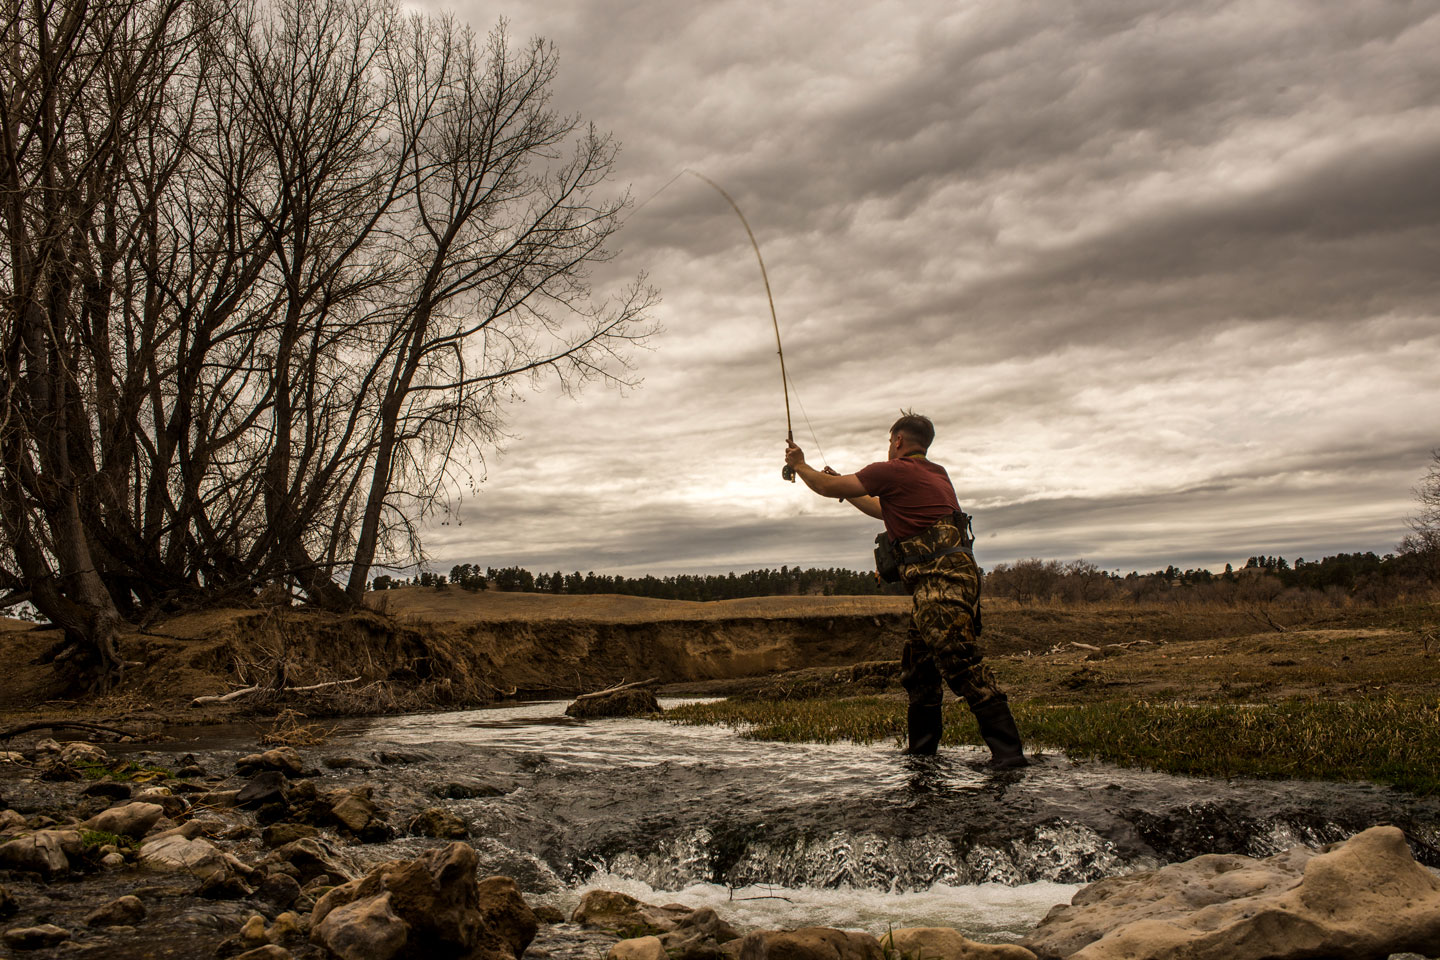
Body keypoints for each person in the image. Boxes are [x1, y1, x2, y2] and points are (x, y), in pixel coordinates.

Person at [783, 412, 1027, 767]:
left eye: (888, 441)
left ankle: (1009, 758)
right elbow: (884, 508)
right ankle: (921, 755)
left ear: (897, 441)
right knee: (919, 668)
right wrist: (847, 489)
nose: (887, 447)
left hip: (941, 584)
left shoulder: (893, 470)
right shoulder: (935, 473)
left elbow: (827, 488)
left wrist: (800, 465)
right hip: (954, 580)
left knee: (960, 663)